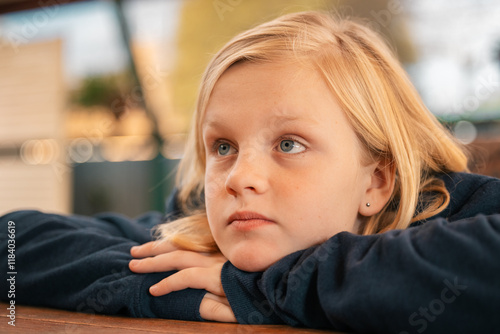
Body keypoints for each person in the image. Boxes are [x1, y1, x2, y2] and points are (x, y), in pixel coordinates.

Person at [1, 11, 499, 333]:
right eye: (223, 146)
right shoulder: (206, 231)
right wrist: (161, 288)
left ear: (376, 181)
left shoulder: (460, 213)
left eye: (288, 144)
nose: (240, 177)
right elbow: (13, 240)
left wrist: (259, 288)